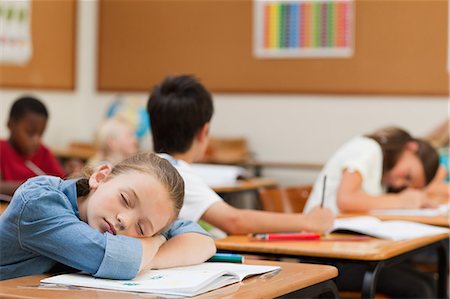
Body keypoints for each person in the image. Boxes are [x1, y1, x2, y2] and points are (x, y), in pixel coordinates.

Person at [147, 75, 334, 235]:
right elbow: (234, 220)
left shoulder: (147, 166)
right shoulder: (174, 173)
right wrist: (307, 222)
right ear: (204, 132)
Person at [0, 152, 216, 281]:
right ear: (100, 177)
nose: (125, 220)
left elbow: (203, 241)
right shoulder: (38, 202)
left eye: (141, 229)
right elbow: (118, 260)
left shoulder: (141, 218)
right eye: (125, 199)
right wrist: (155, 241)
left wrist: (147, 258)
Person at [304, 127, 446, 214]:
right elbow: (346, 200)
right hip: (322, 236)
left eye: (404, 186)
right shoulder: (369, 148)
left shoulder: (383, 179)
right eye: (408, 176)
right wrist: (402, 201)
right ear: (410, 148)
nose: (398, 185)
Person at [0, 96, 65, 197]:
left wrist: (71, 173)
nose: (36, 140)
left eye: (41, 134)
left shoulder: (43, 152)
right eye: (30, 133)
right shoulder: (1, 149)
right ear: (10, 125)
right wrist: (36, 186)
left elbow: (61, 183)